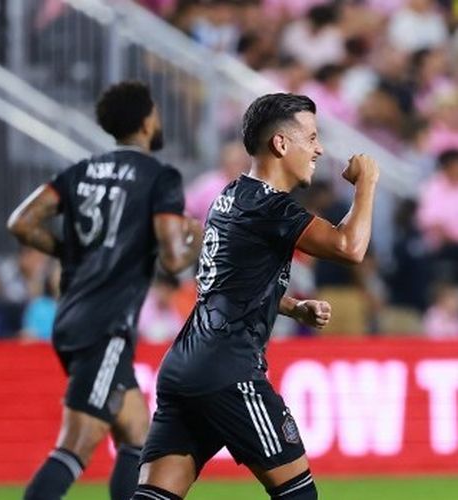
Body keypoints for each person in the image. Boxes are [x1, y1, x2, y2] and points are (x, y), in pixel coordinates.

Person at [133, 93, 380, 500]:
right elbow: (349, 247)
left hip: (183, 369)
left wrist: (291, 306)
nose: (319, 148)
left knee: (155, 497)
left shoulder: (230, 196)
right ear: (281, 144)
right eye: (312, 137)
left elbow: (223, 285)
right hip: (229, 371)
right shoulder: (271, 207)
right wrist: (367, 183)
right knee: (298, 495)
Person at [8, 81, 203, 500]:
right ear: (148, 119)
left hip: (72, 315)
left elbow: (21, 222)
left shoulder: (80, 172)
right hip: (106, 326)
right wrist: (199, 240)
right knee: (76, 444)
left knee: (138, 434)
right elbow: (172, 259)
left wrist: (73, 253)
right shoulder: (160, 177)